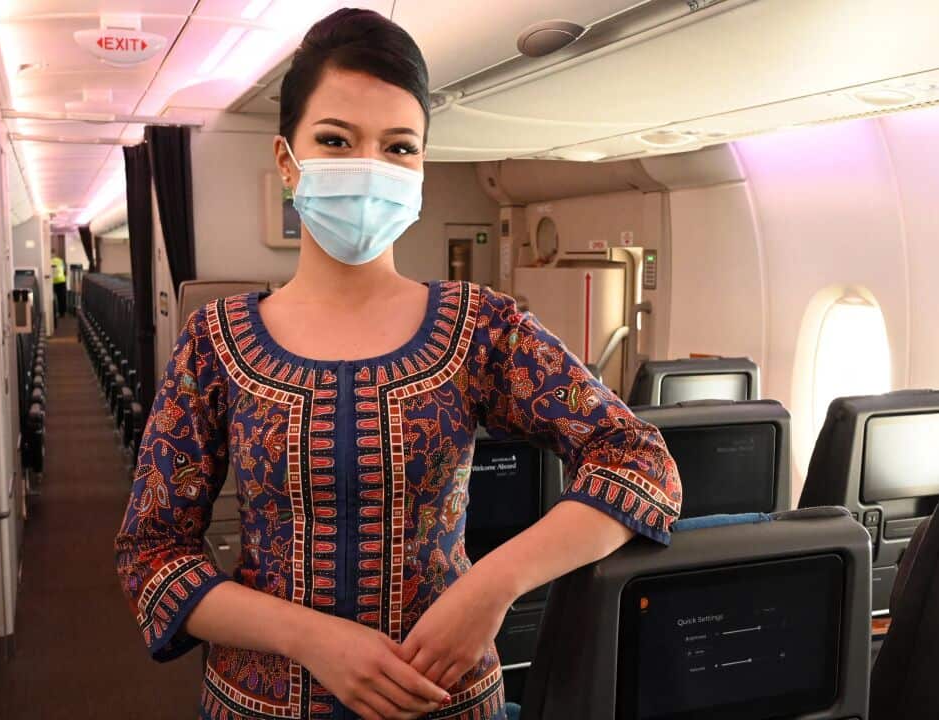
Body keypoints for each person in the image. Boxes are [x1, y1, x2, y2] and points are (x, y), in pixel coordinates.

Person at [115, 9, 682, 720]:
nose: (369, 168)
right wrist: (313, 639)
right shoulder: (213, 342)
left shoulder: (484, 329)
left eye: (398, 147)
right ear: (288, 163)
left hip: (443, 699)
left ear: (420, 170)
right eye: (335, 140)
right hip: (259, 703)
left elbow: (639, 464)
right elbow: (153, 556)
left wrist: (491, 586)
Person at [51, 253, 67, 318]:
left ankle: (53, 313)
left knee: (52, 299)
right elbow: (64, 270)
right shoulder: (60, 261)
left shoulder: (48, 261)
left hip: (52, 282)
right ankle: (62, 313)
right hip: (61, 281)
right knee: (62, 298)